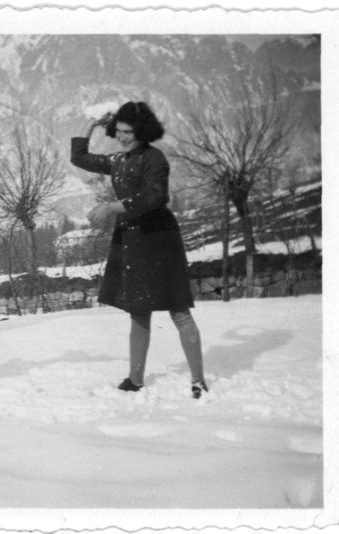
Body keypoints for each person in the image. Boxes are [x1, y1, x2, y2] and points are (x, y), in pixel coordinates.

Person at [70, 101, 208, 399]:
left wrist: (111, 207)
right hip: (132, 239)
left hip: (158, 239)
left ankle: (198, 380)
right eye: (118, 131)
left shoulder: (154, 159)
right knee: (138, 312)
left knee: (179, 311)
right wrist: (93, 123)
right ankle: (135, 379)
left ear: (142, 130)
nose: (122, 137)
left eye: (128, 132)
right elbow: (78, 157)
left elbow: (153, 197)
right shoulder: (119, 159)